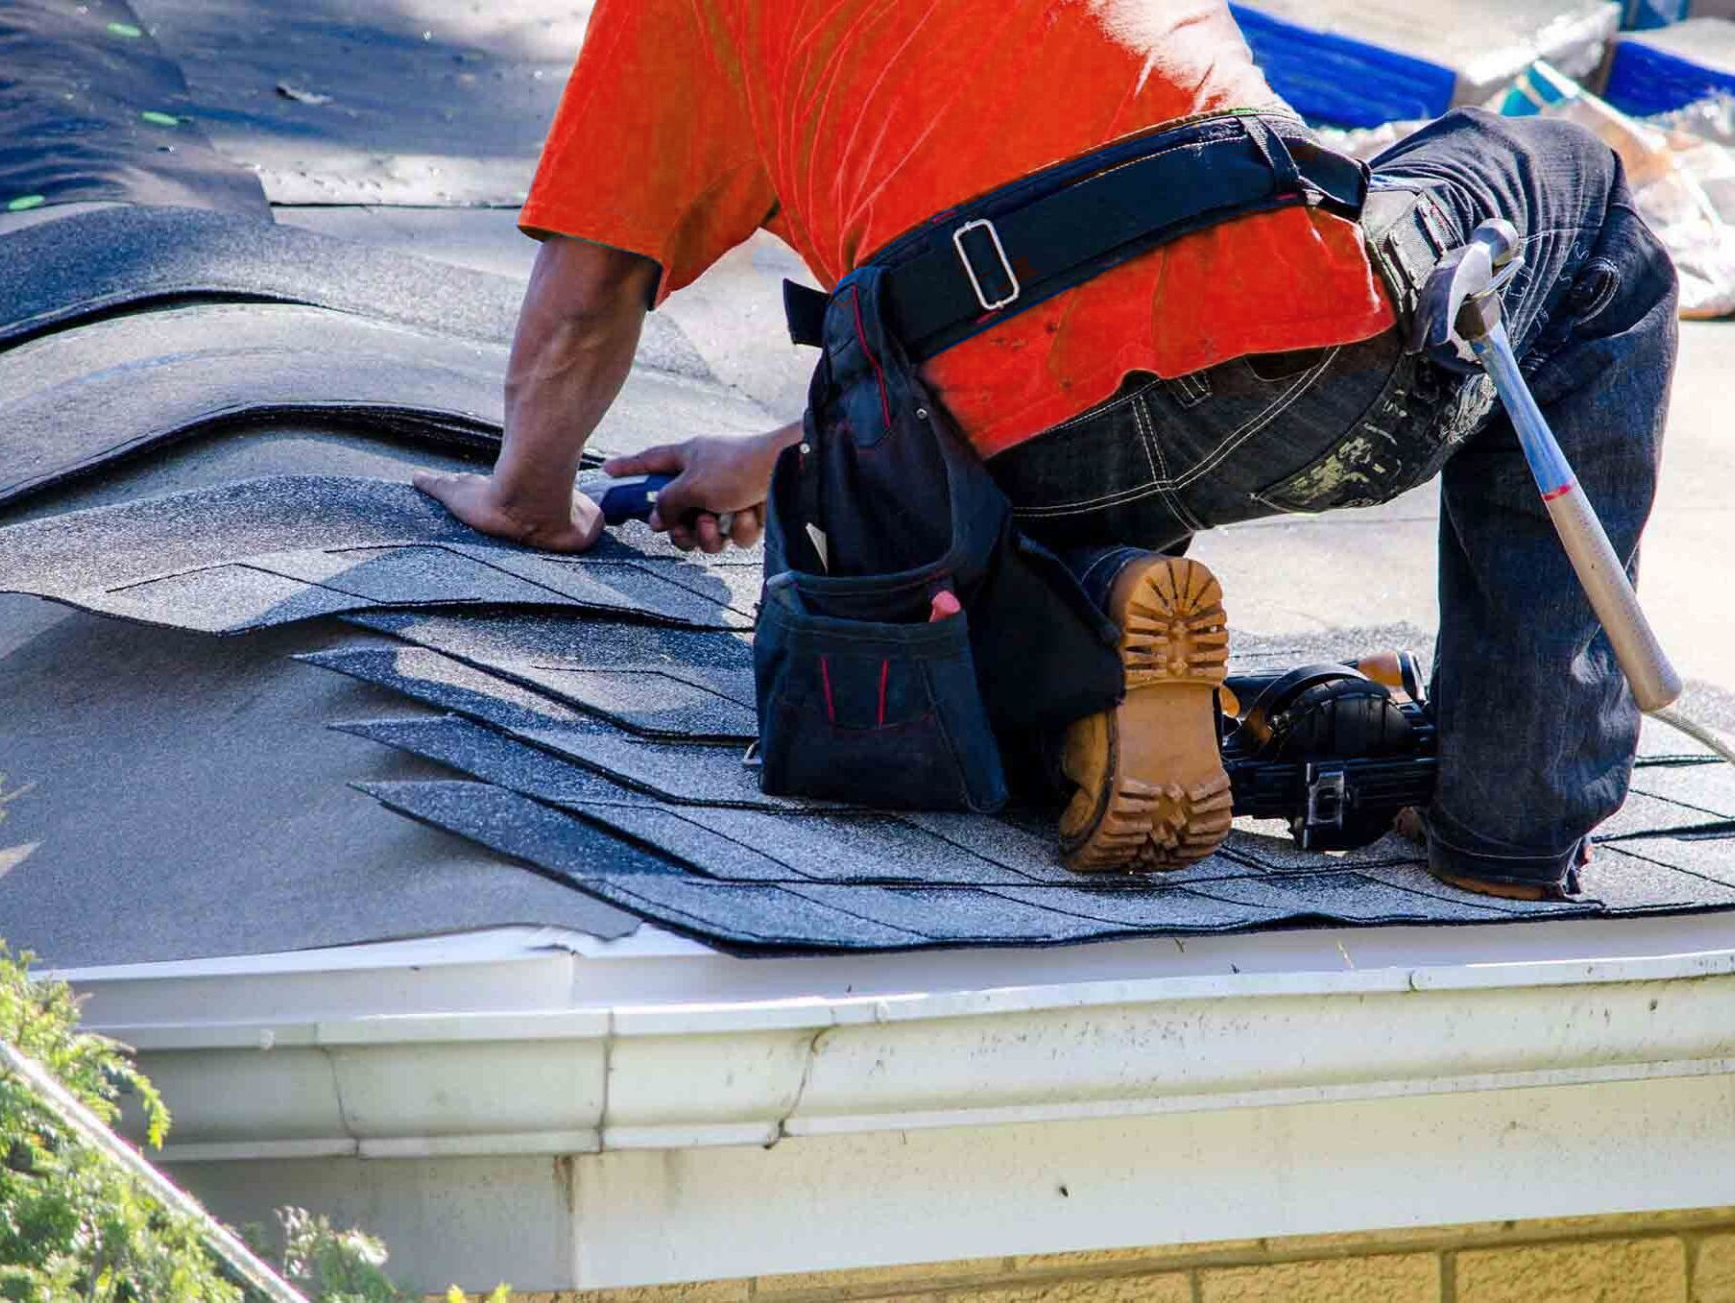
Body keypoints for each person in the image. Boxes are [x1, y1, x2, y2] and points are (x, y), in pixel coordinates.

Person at [416, 0, 1678, 899]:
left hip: (995, 450)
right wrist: (763, 451)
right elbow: (1106, 215)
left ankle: (1090, 640)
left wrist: (530, 500)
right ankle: (1509, 822)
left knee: (956, 458)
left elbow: (587, 298)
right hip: (1299, 354)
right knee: (1583, 198)